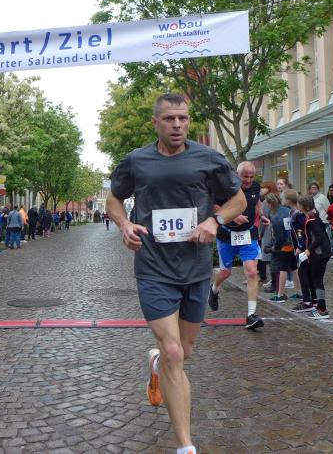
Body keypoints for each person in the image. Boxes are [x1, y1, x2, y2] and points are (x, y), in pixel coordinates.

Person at [106, 93, 245, 454]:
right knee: (173, 352)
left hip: (195, 268)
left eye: (183, 118)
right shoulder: (136, 161)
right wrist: (124, 225)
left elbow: (239, 200)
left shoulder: (208, 159)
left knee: (184, 350)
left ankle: (156, 366)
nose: (177, 125)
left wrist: (215, 221)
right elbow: (113, 199)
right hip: (153, 266)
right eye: (169, 119)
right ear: (155, 122)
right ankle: (185, 446)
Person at [207, 161, 264, 330]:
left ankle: (251, 315)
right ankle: (214, 289)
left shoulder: (255, 187)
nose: (248, 180)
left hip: (248, 234)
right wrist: (232, 215)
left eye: (251, 176)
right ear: (236, 175)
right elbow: (214, 206)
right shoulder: (225, 187)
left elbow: (256, 202)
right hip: (227, 234)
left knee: (252, 272)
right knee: (225, 272)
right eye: (245, 176)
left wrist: (261, 215)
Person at [297, 194, 332, 319]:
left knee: (317, 280)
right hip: (319, 253)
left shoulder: (312, 220)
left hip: (320, 254)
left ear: (304, 206)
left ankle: (322, 309)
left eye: (299, 204)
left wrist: (309, 250)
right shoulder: (312, 216)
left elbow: (319, 237)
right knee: (314, 278)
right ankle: (318, 305)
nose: (297, 205)